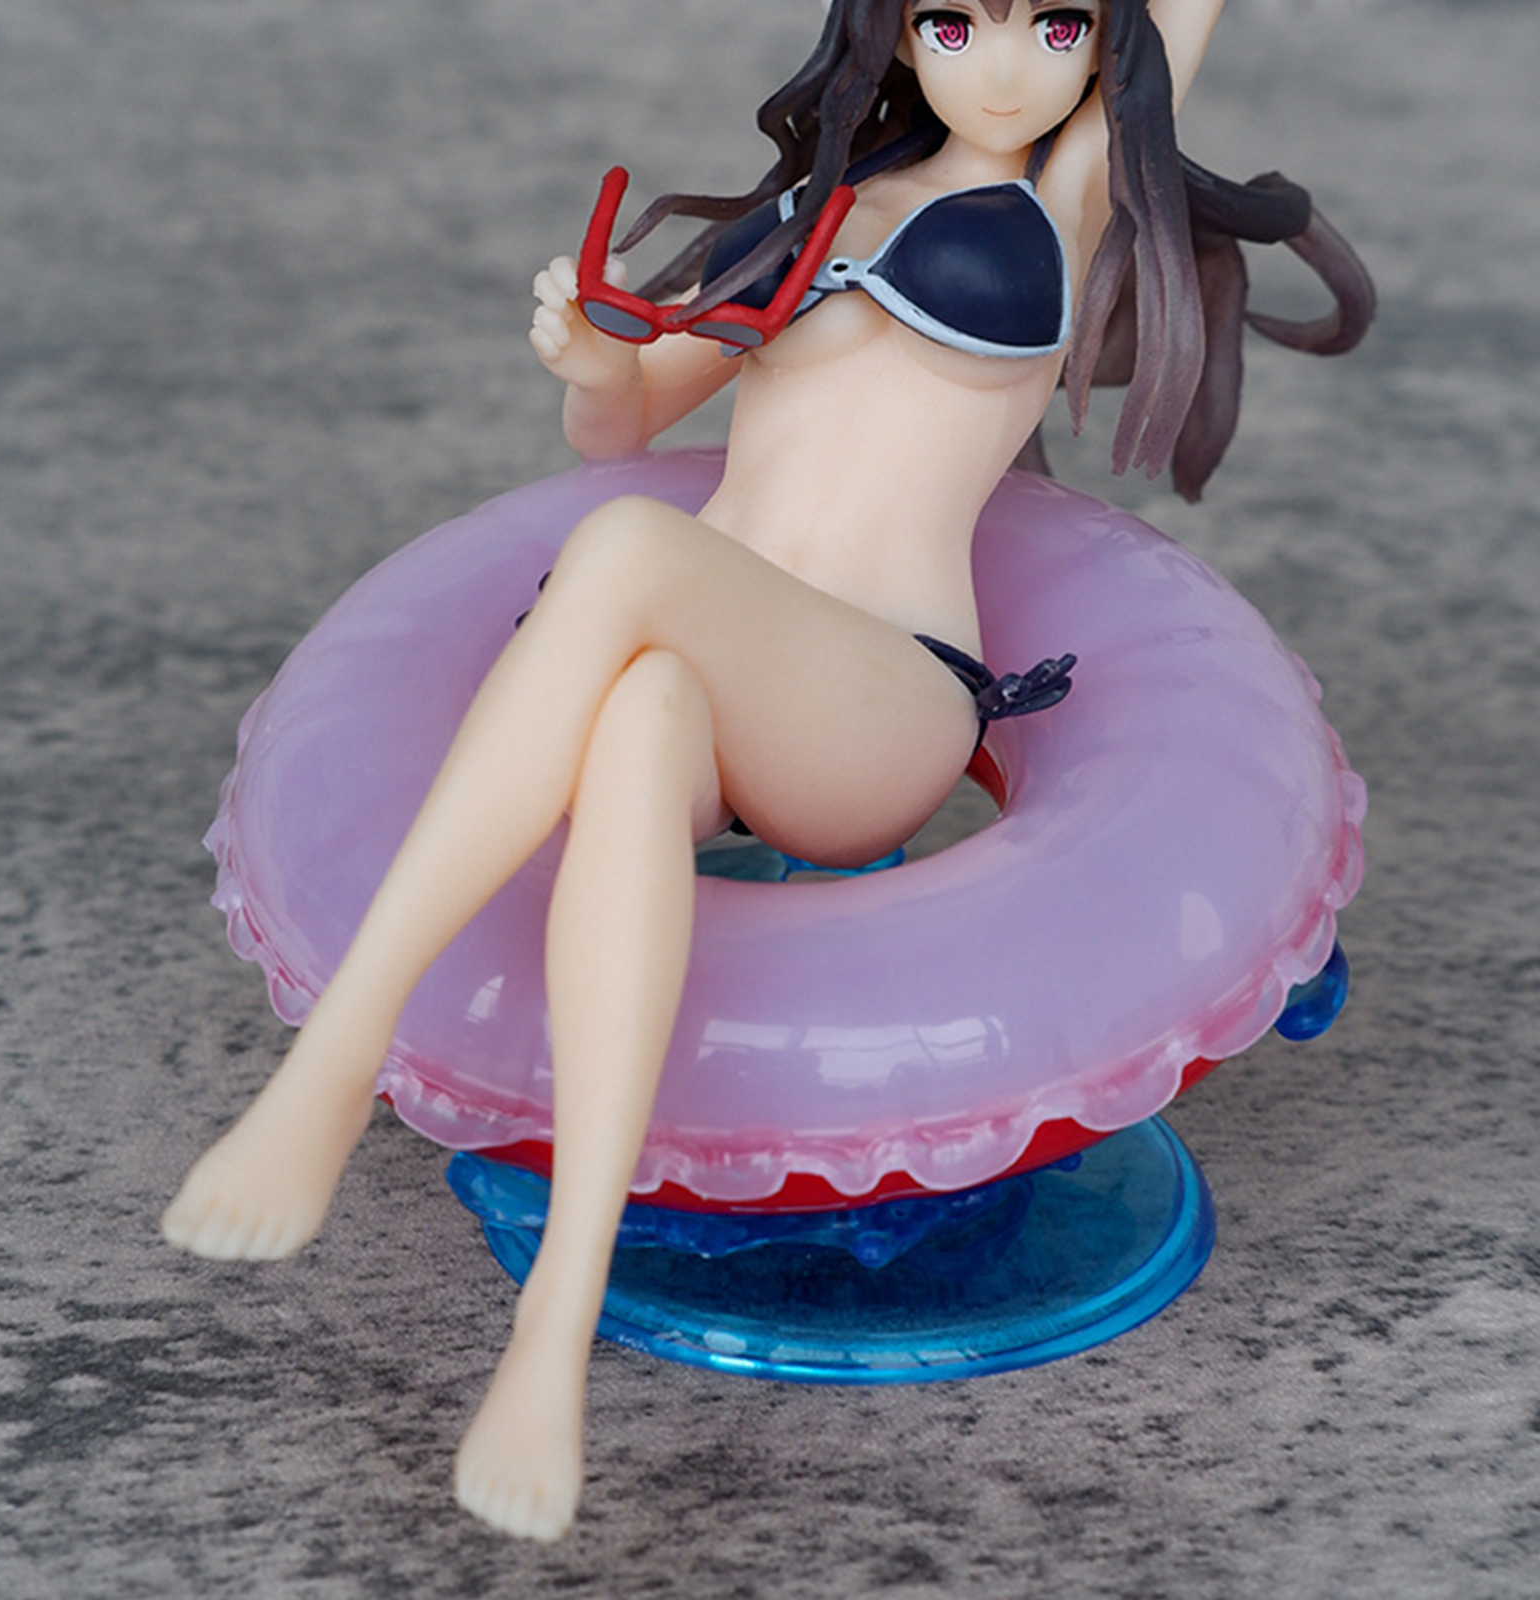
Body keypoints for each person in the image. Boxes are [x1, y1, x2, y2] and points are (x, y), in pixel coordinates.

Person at [162, 0, 1371, 1541]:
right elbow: (623, 426)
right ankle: (554, 1332)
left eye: (1058, 25)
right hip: (719, 674)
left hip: (883, 698)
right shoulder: (812, 208)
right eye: (958, 23)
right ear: (899, 35)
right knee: (641, 707)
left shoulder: (1062, 193)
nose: (1008, 67)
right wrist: (592, 357)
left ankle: (335, 1061)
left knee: (625, 553)